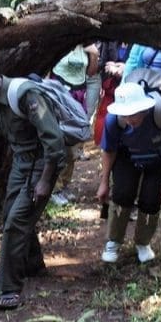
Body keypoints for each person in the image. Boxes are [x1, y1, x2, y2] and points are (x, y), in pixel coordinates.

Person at [0, 60, 66, 310]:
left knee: (17, 221)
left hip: (45, 162)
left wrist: (44, 181)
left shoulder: (25, 95)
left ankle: (9, 289)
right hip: (22, 164)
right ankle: (33, 265)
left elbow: (54, 141)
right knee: (11, 213)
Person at [96, 82, 161, 264]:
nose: (129, 120)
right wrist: (104, 181)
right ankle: (113, 241)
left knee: (151, 199)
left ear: (144, 108)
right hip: (127, 158)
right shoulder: (114, 120)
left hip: (158, 158)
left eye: (133, 114)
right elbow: (109, 150)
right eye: (126, 115)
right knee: (122, 194)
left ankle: (143, 243)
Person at [47, 43, 99, 205]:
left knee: (73, 143)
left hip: (78, 95)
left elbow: (90, 73)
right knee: (58, 142)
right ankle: (53, 188)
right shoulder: (58, 40)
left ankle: (64, 185)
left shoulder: (86, 45)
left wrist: (94, 54)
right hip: (59, 93)